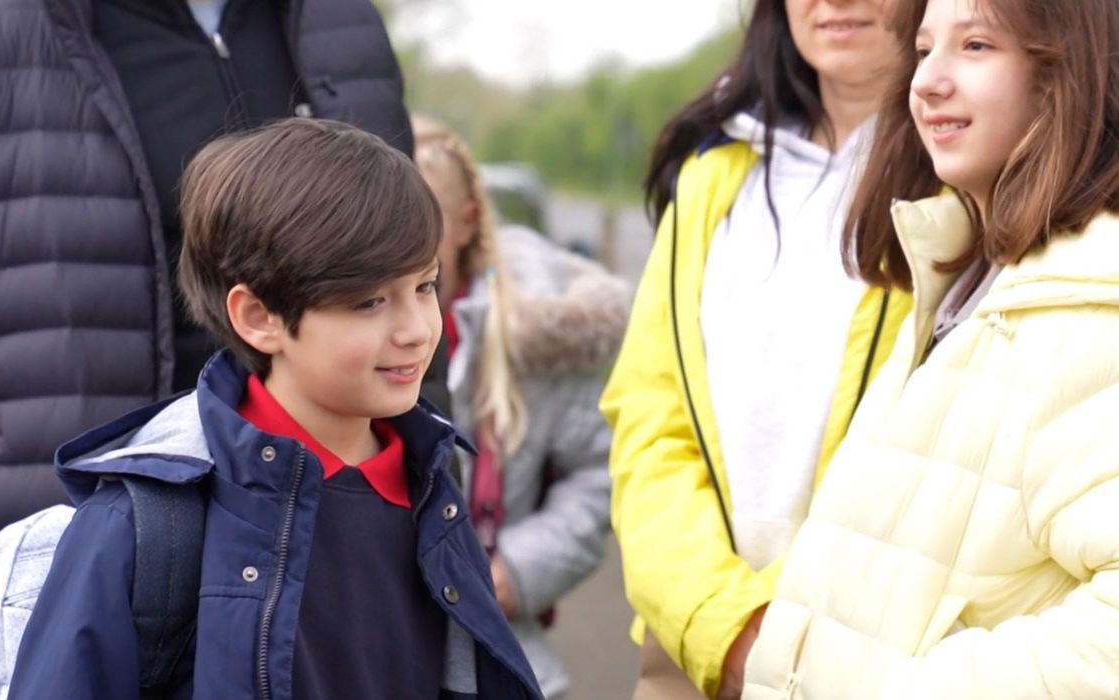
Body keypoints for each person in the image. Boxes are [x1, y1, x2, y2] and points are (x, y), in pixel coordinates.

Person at [0, 0, 448, 565]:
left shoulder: (342, 29)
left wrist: (432, 492)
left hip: (341, 557)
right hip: (87, 577)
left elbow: (402, 276)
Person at [6, 118, 542, 699]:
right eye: (369, 301)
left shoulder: (433, 483)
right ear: (259, 318)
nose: (416, 330)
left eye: (425, 286)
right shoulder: (147, 524)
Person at [742, 0, 1119, 696]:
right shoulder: (963, 278)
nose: (927, 82)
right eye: (921, 49)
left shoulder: (1092, 310)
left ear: (1069, 71)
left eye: (974, 46)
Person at [598, 1, 914, 697]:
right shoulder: (713, 172)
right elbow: (648, 414)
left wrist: (788, 638)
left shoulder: (975, 173)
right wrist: (726, 624)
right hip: (694, 646)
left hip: (880, 651)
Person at [414, 116, 626, 699]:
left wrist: (515, 571)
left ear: (467, 221)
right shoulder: (345, 331)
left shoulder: (537, 334)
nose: (400, 234)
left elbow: (596, 474)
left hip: (501, 642)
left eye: (422, 214)